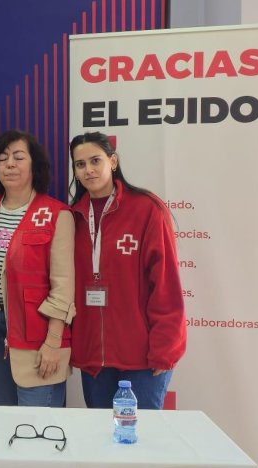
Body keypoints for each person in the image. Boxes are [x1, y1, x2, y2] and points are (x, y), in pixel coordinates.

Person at [68, 132, 186, 409]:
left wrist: (164, 348)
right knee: (101, 440)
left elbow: (166, 284)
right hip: (94, 359)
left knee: (140, 441)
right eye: (80, 164)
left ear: (113, 161)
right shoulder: (72, 216)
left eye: (95, 160)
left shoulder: (146, 209)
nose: (89, 170)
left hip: (143, 357)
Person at [0, 131, 74, 406]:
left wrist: (53, 343)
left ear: (34, 164)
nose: (10, 164)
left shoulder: (55, 213)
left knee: (38, 426)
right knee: (4, 421)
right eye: (2, 159)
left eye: (18, 157)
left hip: (36, 334)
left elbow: (63, 285)